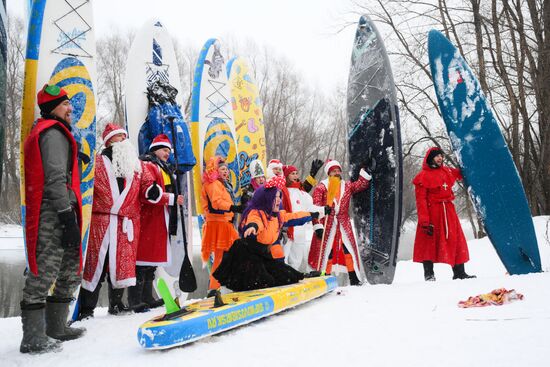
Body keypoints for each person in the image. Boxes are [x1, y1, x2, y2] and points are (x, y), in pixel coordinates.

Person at [20, 84, 85, 354]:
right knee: (44, 272)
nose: (71, 108)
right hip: (54, 212)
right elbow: (55, 179)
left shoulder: (57, 131)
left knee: (71, 271)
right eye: (65, 104)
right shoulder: (53, 133)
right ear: (52, 108)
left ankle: (57, 327)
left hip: (63, 210)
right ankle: (33, 338)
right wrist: (66, 216)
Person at [77, 124, 159, 319]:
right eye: (118, 137)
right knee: (95, 266)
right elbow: (85, 185)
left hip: (125, 224)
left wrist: (152, 191)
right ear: (108, 141)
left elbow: (147, 187)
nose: (123, 140)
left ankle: (116, 304)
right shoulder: (97, 162)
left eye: (124, 137)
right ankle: (87, 308)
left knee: (121, 265)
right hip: (101, 221)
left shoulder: (136, 167)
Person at [213, 176, 328, 291]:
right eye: (275, 197)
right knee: (263, 281)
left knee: (287, 275)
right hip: (247, 256)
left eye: (279, 197)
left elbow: (295, 217)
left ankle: (305, 276)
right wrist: (252, 227)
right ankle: (224, 293)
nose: (279, 200)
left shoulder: (278, 216)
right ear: (267, 199)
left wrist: (315, 214)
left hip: (264, 256)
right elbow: (255, 221)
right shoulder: (257, 213)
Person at [135, 134, 184, 309]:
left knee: (151, 261)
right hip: (149, 217)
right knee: (143, 260)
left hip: (159, 216)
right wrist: (171, 198)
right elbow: (149, 194)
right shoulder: (148, 165)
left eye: (169, 151)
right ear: (155, 149)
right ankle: (136, 300)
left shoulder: (163, 167)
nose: (167, 154)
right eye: (164, 150)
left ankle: (147, 297)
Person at [412, 147, 476, 281]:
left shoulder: (447, 171)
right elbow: (421, 201)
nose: (440, 158)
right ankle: (429, 275)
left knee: (456, 240)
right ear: (430, 158)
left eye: (441, 156)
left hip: (448, 211)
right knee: (429, 243)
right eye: (437, 156)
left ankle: (459, 273)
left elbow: (462, 173)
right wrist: (424, 221)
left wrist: (472, 159)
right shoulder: (422, 177)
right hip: (432, 212)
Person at [308, 160, 371, 286]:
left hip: (343, 222)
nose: (336, 173)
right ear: (329, 173)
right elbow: (314, 207)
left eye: (338, 170)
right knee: (327, 251)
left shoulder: (346, 186)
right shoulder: (321, 187)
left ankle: (354, 277)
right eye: (333, 171)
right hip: (327, 223)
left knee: (347, 249)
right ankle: (324, 276)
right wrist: (317, 226)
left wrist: (364, 170)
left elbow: (361, 184)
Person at [201, 156, 242, 296]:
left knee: (228, 255)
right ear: (216, 170)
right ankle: (214, 288)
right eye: (223, 169)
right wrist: (234, 208)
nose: (226, 172)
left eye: (227, 169)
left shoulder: (223, 184)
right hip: (218, 223)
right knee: (221, 257)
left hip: (224, 222)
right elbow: (216, 203)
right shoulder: (213, 184)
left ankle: (220, 285)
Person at [282, 162, 325, 272]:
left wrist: (312, 174)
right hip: (289, 229)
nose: (296, 176)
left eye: (296, 173)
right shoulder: (283, 190)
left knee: (297, 258)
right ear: (286, 176)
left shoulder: (300, 189)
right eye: (292, 173)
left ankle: (293, 276)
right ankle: (284, 277)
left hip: (300, 230)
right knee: (284, 257)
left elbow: (308, 203)